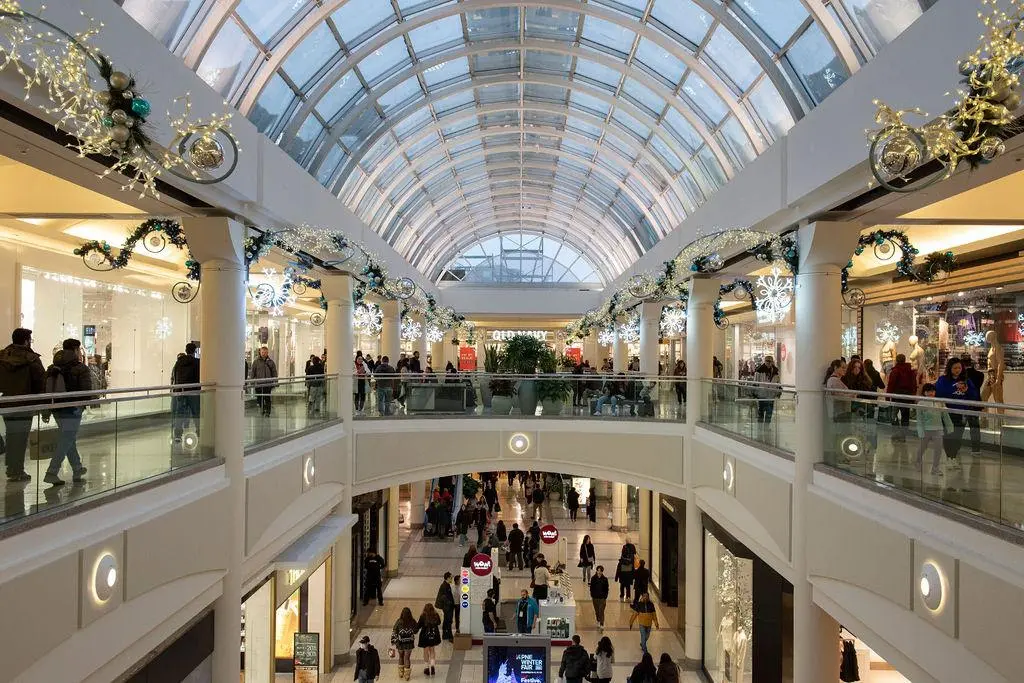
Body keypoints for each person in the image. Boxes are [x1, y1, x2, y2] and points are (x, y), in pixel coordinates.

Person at [43, 339, 93, 486]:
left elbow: (45, 389)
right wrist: (84, 405)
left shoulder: (52, 367)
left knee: (68, 437)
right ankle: (51, 472)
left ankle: (77, 467)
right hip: (73, 408)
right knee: (67, 439)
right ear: (76, 350)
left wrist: (46, 411)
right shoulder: (80, 368)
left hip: (56, 409)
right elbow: (86, 391)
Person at [0, 328, 45, 482]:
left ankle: (12, 468)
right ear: (26, 340)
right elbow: (41, 383)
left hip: (5, 404)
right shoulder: (32, 359)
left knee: (12, 436)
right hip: (25, 405)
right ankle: (16, 469)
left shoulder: (2, 356)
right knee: (20, 438)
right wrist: (43, 406)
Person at [935, 357, 981, 467]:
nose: (957, 370)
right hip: (947, 413)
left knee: (957, 436)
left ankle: (953, 456)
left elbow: (974, 396)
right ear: (950, 368)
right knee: (948, 435)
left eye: (959, 368)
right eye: (955, 368)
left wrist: (967, 390)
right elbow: (939, 393)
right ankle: (949, 457)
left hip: (962, 413)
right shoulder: (943, 380)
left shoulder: (967, 380)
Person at [916, 383, 954, 475]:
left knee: (938, 449)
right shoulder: (921, 403)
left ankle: (935, 468)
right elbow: (919, 419)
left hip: (938, 429)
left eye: (932, 391)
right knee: (922, 448)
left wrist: (950, 427)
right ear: (924, 392)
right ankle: (918, 461)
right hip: (926, 430)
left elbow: (945, 416)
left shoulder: (939, 402)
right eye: (928, 391)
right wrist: (920, 431)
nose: (931, 393)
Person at [170, 342, 200, 442]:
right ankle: (199, 431)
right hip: (194, 392)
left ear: (186, 350)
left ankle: (178, 435)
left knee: (179, 413)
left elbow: (175, 376)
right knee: (196, 412)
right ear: (195, 351)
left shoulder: (179, 362)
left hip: (180, 391)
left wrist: (176, 390)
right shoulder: (197, 362)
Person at [885, 353, 917, 429]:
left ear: (896, 360)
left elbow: (891, 384)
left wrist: (887, 396)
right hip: (907, 396)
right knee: (905, 415)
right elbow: (913, 383)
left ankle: (896, 432)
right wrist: (913, 395)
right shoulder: (910, 371)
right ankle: (904, 432)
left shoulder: (895, 371)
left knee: (894, 414)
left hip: (896, 396)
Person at [249, 346, 278, 416]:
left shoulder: (271, 362)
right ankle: (263, 409)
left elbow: (274, 372)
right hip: (258, 384)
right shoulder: (256, 362)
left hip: (268, 384)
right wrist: (251, 381)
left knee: (267, 398)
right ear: (260, 352)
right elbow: (253, 372)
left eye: (265, 352)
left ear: (267, 353)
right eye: (262, 352)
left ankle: (268, 412)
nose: (264, 354)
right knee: (259, 398)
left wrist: (275, 382)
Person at [752, 355, 781, 424]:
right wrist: (754, 393)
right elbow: (755, 382)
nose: (768, 363)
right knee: (761, 412)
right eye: (767, 361)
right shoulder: (759, 370)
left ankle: (766, 427)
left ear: (772, 362)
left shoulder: (775, 371)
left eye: (770, 361)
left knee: (769, 412)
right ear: (764, 361)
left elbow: (778, 382)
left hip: (771, 395)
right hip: (762, 395)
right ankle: (760, 427)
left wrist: (778, 391)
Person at [391, 607, 417, 681]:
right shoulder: (412, 621)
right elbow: (416, 631)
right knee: (407, 658)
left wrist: (393, 641)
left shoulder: (399, 621)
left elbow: (394, 630)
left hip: (400, 643)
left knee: (401, 656)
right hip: (409, 643)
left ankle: (401, 673)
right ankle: (407, 675)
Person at [416, 603, 442, 676]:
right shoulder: (435, 615)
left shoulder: (423, 616)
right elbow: (439, 623)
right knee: (432, 650)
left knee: (425, 651)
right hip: (433, 636)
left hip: (424, 636)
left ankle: (427, 668)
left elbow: (418, 626)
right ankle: (433, 666)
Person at [434, 572, 456, 641]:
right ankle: (449, 636)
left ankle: (445, 635)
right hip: (447, 607)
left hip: (447, 607)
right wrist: (450, 603)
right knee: (448, 621)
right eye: (451, 578)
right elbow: (444, 597)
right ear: (448, 578)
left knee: (446, 621)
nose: (452, 579)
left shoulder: (446, 585)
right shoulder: (445, 586)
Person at [589, 565, 609, 631]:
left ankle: (602, 624)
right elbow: (591, 588)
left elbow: (607, 588)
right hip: (595, 598)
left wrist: (605, 596)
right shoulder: (593, 578)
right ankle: (598, 620)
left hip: (602, 598)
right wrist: (592, 595)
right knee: (597, 611)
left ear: (602, 571)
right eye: (598, 570)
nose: (599, 572)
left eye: (600, 571)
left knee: (601, 611)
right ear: (596, 570)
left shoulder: (605, 579)